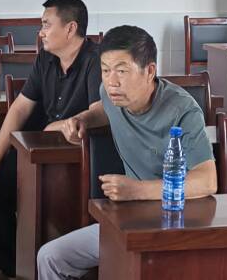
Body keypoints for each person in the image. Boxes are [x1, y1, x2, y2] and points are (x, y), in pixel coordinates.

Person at [35, 26, 216, 279]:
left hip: (180, 221)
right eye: (105, 70)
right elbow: (102, 111)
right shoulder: (111, 95)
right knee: (50, 257)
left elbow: (207, 181)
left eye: (121, 71)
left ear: (149, 71)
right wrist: (82, 119)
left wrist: (137, 190)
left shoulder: (183, 110)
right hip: (129, 219)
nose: (112, 81)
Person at [0, 0, 101, 278]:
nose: (40, 32)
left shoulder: (95, 60)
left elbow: (99, 112)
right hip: (40, 150)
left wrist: (66, 124)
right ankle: (13, 268)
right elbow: (20, 107)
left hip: (80, 158)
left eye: (46, 24)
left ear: (70, 28)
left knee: (48, 206)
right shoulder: (46, 58)